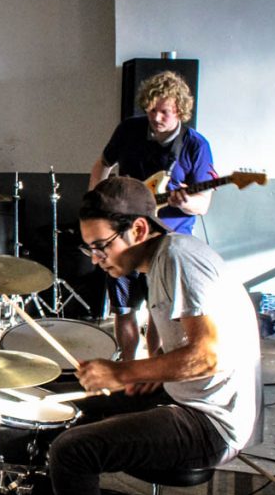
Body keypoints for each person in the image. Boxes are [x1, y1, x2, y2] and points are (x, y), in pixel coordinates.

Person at [47, 176, 258, 495]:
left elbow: (208, 355)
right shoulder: (165, 256)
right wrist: (154, 369)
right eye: (88, 247)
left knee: (71, 452)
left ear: (139, 229)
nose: (94, 258)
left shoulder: (178, 259)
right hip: (193, 396)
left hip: (211, 420)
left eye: (101, 245)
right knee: (66, 406)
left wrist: (124, 371)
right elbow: (189, 342)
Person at [89, 71, 216, 360]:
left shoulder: (196, 145)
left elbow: (203, 205)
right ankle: (128, 363)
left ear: (180, 112)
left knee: (162, 311)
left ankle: (154, 365)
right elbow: (102, 164)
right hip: (124, 236)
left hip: (167, 243)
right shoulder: (129, 130)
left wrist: (185, 202)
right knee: (124, 308)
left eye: (164, 112)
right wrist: (95, 200)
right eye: (151, 109)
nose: (156, 117)